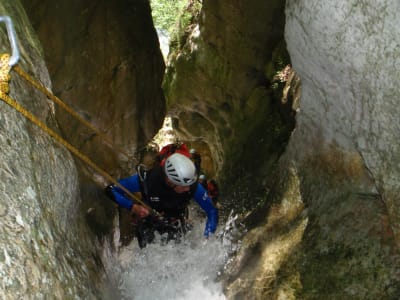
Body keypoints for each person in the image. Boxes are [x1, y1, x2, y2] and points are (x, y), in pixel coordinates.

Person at [106, 153, 218, 248]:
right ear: (170, 181)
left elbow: (212, 211)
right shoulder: (149, 180)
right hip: (149, 225)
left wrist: (207, 239)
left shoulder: (192, 186)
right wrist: (133, 207)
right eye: (184, 186)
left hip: (177, 224)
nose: (188, 189)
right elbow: (111, 189)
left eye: (189, 185)